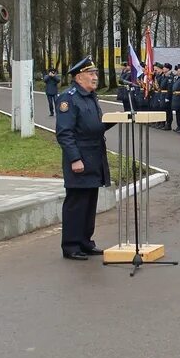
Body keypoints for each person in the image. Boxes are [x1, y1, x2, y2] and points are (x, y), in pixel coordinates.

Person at [54, 57, 112, 261]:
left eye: (95, 74)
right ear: (79, 77)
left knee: (89, 203)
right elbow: (64, 133)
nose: (95, 77)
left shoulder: (90, 97)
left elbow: (93, 125)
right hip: (79, 159)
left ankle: (85, 242)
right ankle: (71, 245)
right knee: (76, 203)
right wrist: (74, 159)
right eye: (91, 74)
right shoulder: (67, 99)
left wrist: (113, 120)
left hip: (95, 156)